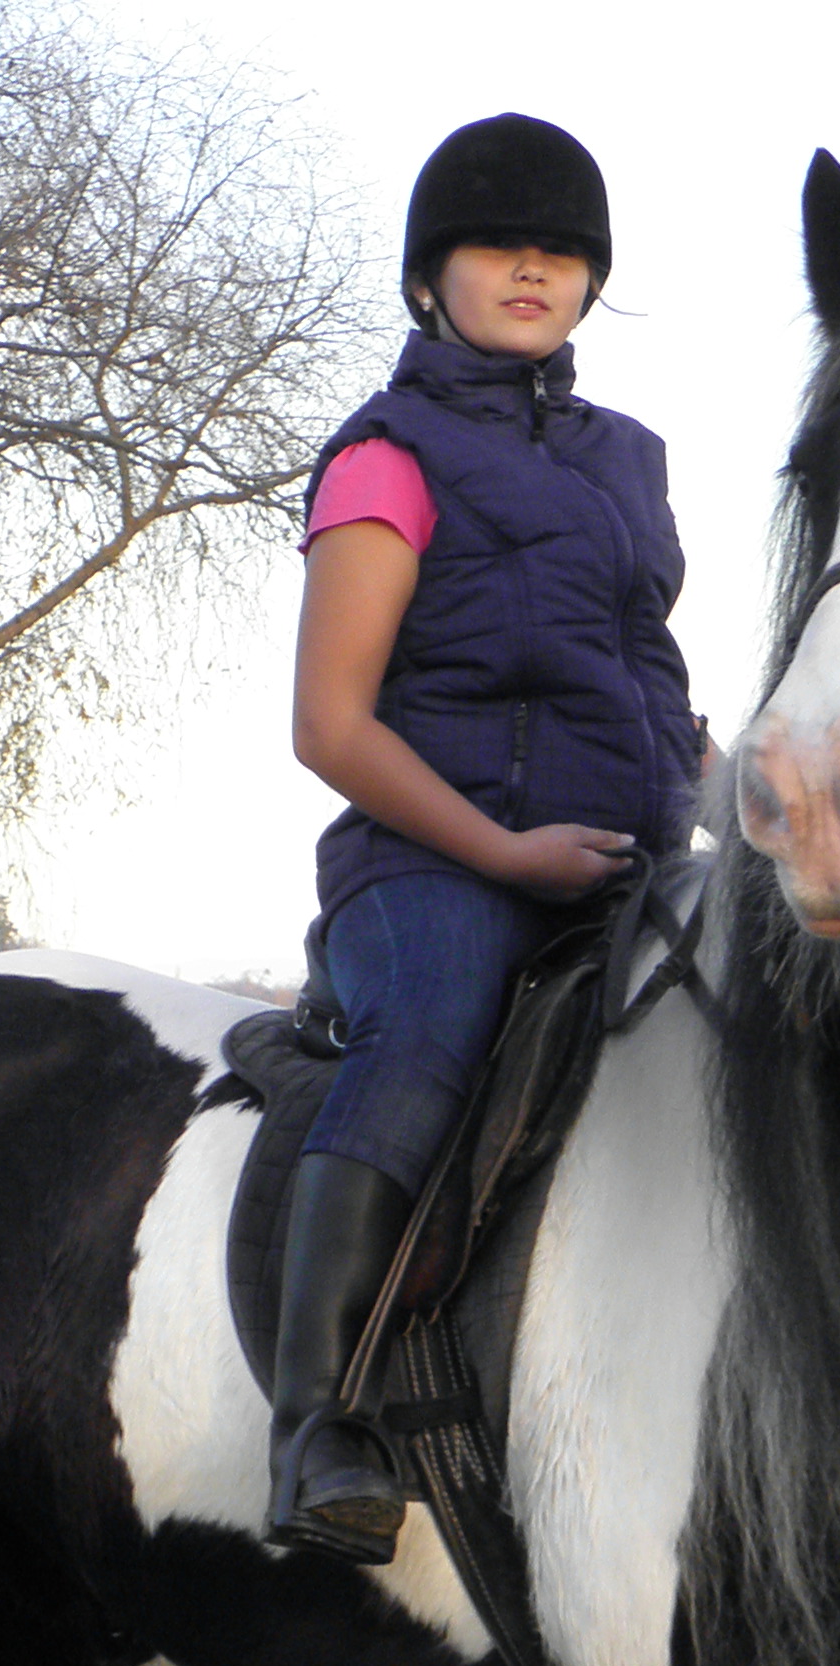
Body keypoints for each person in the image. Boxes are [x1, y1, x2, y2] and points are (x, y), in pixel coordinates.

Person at [269, 111, 708, 1562]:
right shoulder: (386, 458)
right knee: (437, 1025)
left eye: (562, 248)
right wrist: (504, 856)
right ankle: (317, 1418)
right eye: (498, 244)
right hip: (434, 866)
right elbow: (331, 725)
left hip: (625, 854)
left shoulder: (629, 462)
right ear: (428, 278)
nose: (533, 266)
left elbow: (629, 677)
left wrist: (716, 790)